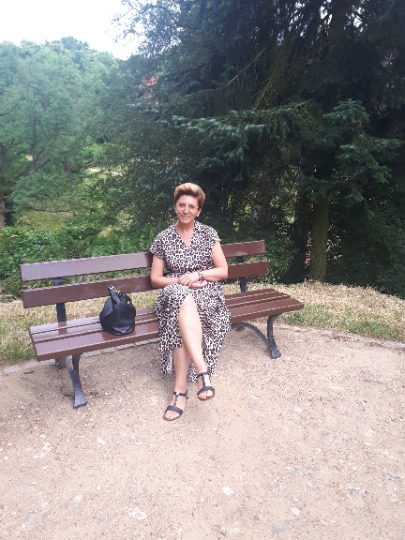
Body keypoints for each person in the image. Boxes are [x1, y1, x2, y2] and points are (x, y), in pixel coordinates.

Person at [150, 182, 231, 421]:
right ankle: (202, 372)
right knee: (179, 296)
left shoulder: (208, 234)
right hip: (174, 291)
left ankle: (180, 392)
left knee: (179, 312)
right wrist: (181, 280)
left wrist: (198, 275)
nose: (185, 210)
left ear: (198, 211)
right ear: (175, 207)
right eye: (181, 205)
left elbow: (223, 271)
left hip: (206, 293)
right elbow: (156, 279)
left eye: (191, 206)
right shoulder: (163, 238)